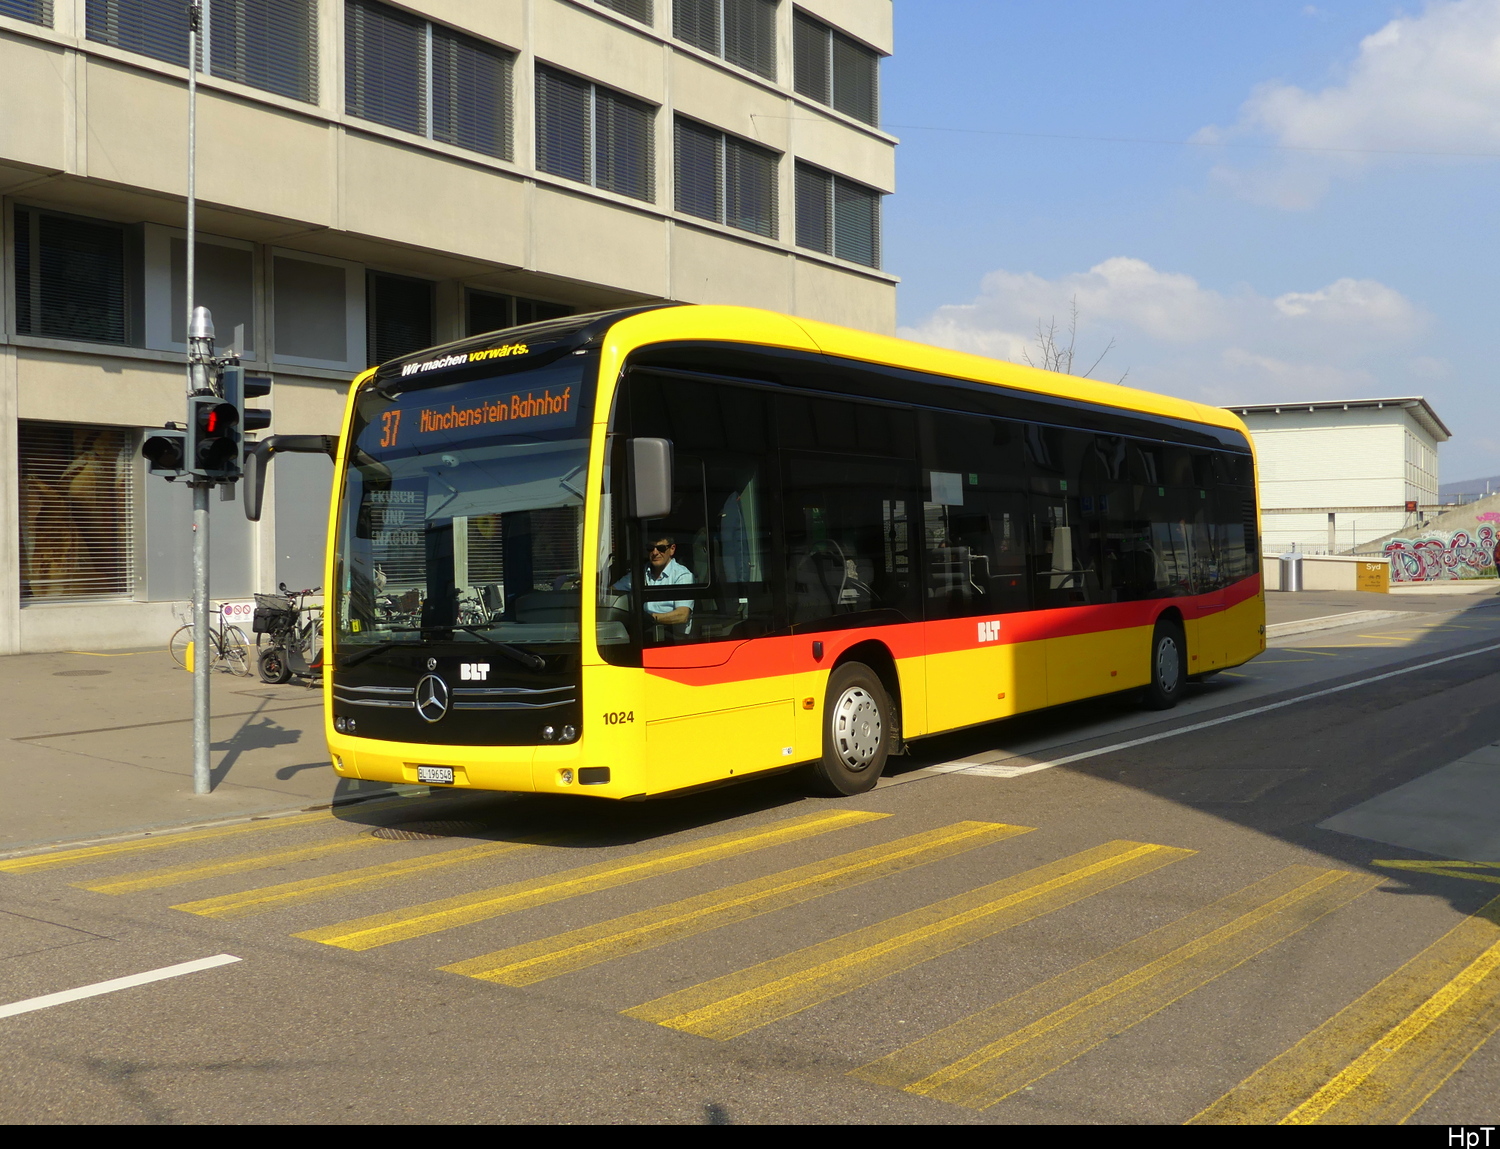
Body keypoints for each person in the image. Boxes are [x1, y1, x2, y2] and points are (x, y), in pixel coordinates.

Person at [614, 535, 694, 634]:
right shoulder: (641, 573)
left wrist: (650, 618)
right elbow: (613, 591)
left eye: (661, 548)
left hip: (673, 636)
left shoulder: (682, 575)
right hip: (644, 633)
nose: (655, 553)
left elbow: (682, 615)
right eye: (650, 548)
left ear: (672, 549)